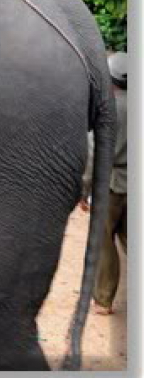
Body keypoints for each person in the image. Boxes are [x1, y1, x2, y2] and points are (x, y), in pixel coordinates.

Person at [81, 51, 127, 315]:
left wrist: (84, 189)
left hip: (108, 184)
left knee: (103, 242)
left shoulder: (105, 111)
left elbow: (92, 153)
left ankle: (104, 300)